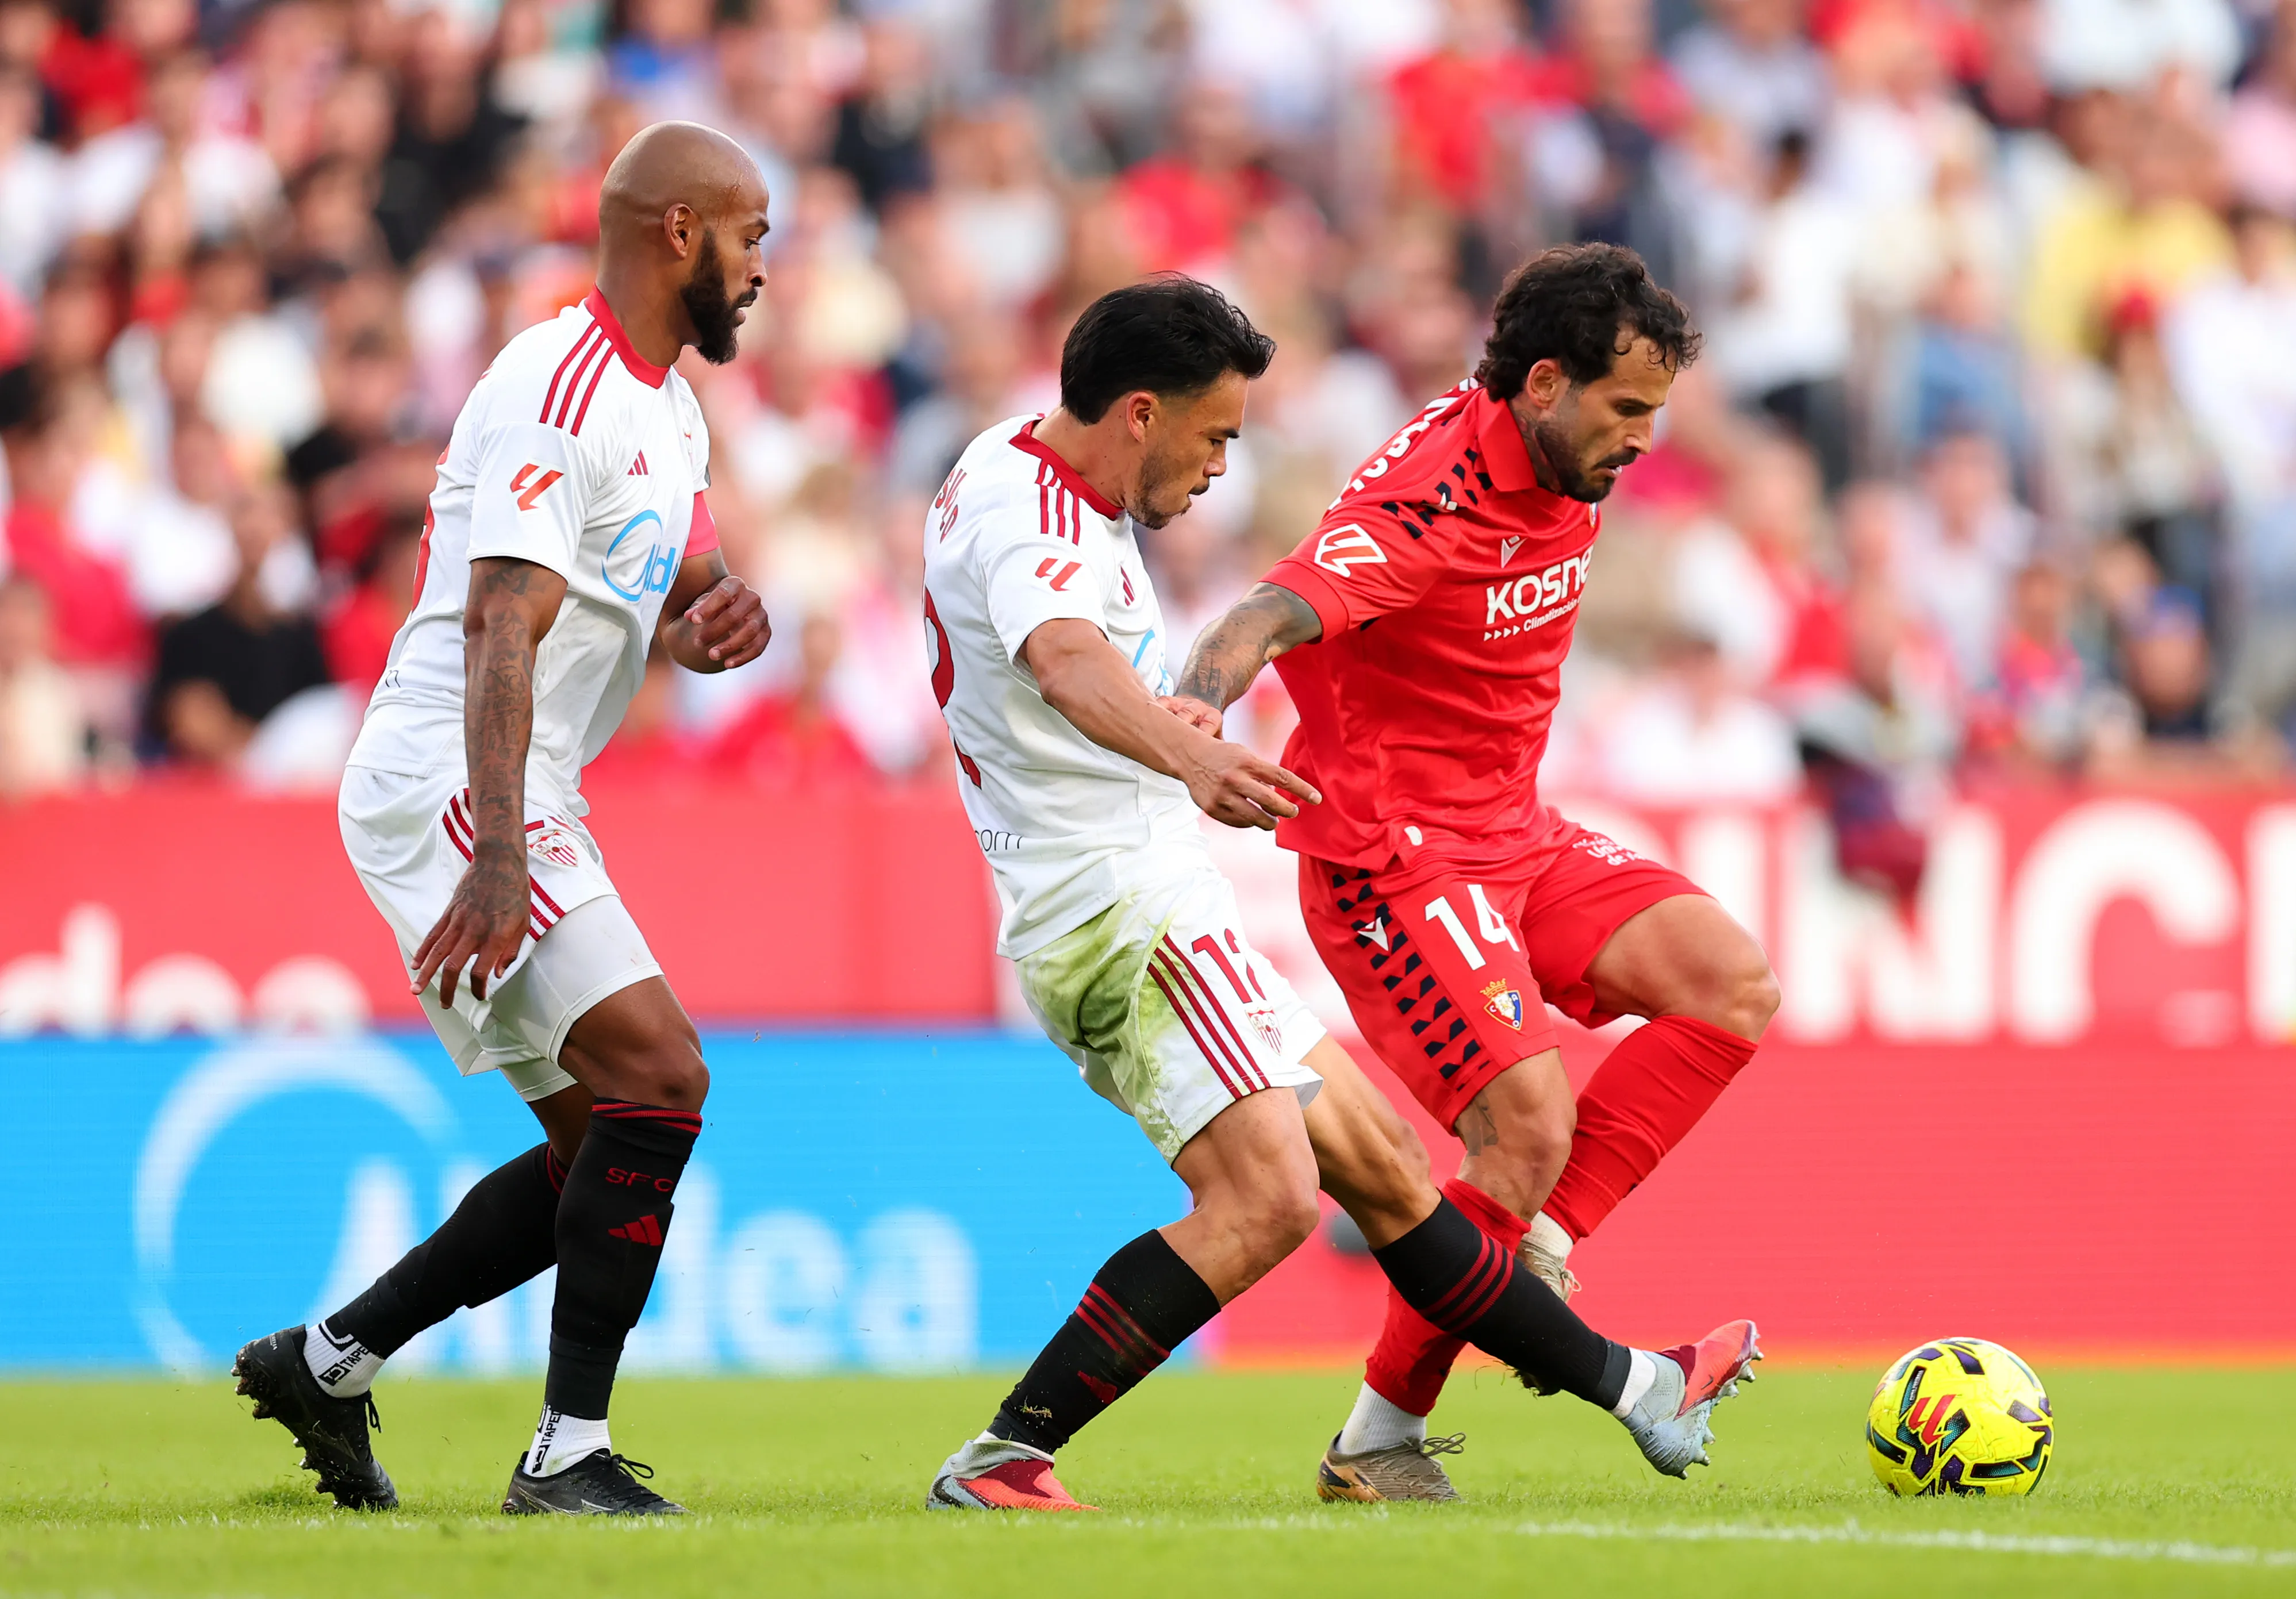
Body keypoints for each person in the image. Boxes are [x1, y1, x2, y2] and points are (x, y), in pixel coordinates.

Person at [919, 276, 1759, 1513]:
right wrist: (1199, 739)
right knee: (1268, 1200)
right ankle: (1000, 1458)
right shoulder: (1036, 515)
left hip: (1211, 878)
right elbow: (1074, 654)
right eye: (1213, 434)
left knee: (1387, 1174)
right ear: (1138, 413)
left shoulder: (1019, 461)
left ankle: (1625, 1387)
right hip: (1122, 903)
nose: (1222, 464)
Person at [1172, 245, 1780, 1502]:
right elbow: (1260, 615)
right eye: (1625, 412)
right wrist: (1191, 717)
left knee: (1729, 982)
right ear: (1546, 385)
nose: (1642, 442)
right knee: (1525, 1122)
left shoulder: (1554, 443)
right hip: (1390, 859)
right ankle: (1377, 1438)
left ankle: (1535, 1254)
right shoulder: (1427, 504)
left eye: (1656, 414)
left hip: (1511, 830)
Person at [230, 121, 773, 1518]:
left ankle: (329, 1361)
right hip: (458, 783)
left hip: (519, 784)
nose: (762, 266)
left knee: (604, 1132)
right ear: (678, 233)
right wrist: (498, 847)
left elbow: (677, 584)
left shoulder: (670, 406)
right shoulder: (560, 382)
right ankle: (565, 1453)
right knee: (664, 1071)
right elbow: (497, 624)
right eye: (748, 234)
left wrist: (715, 618)